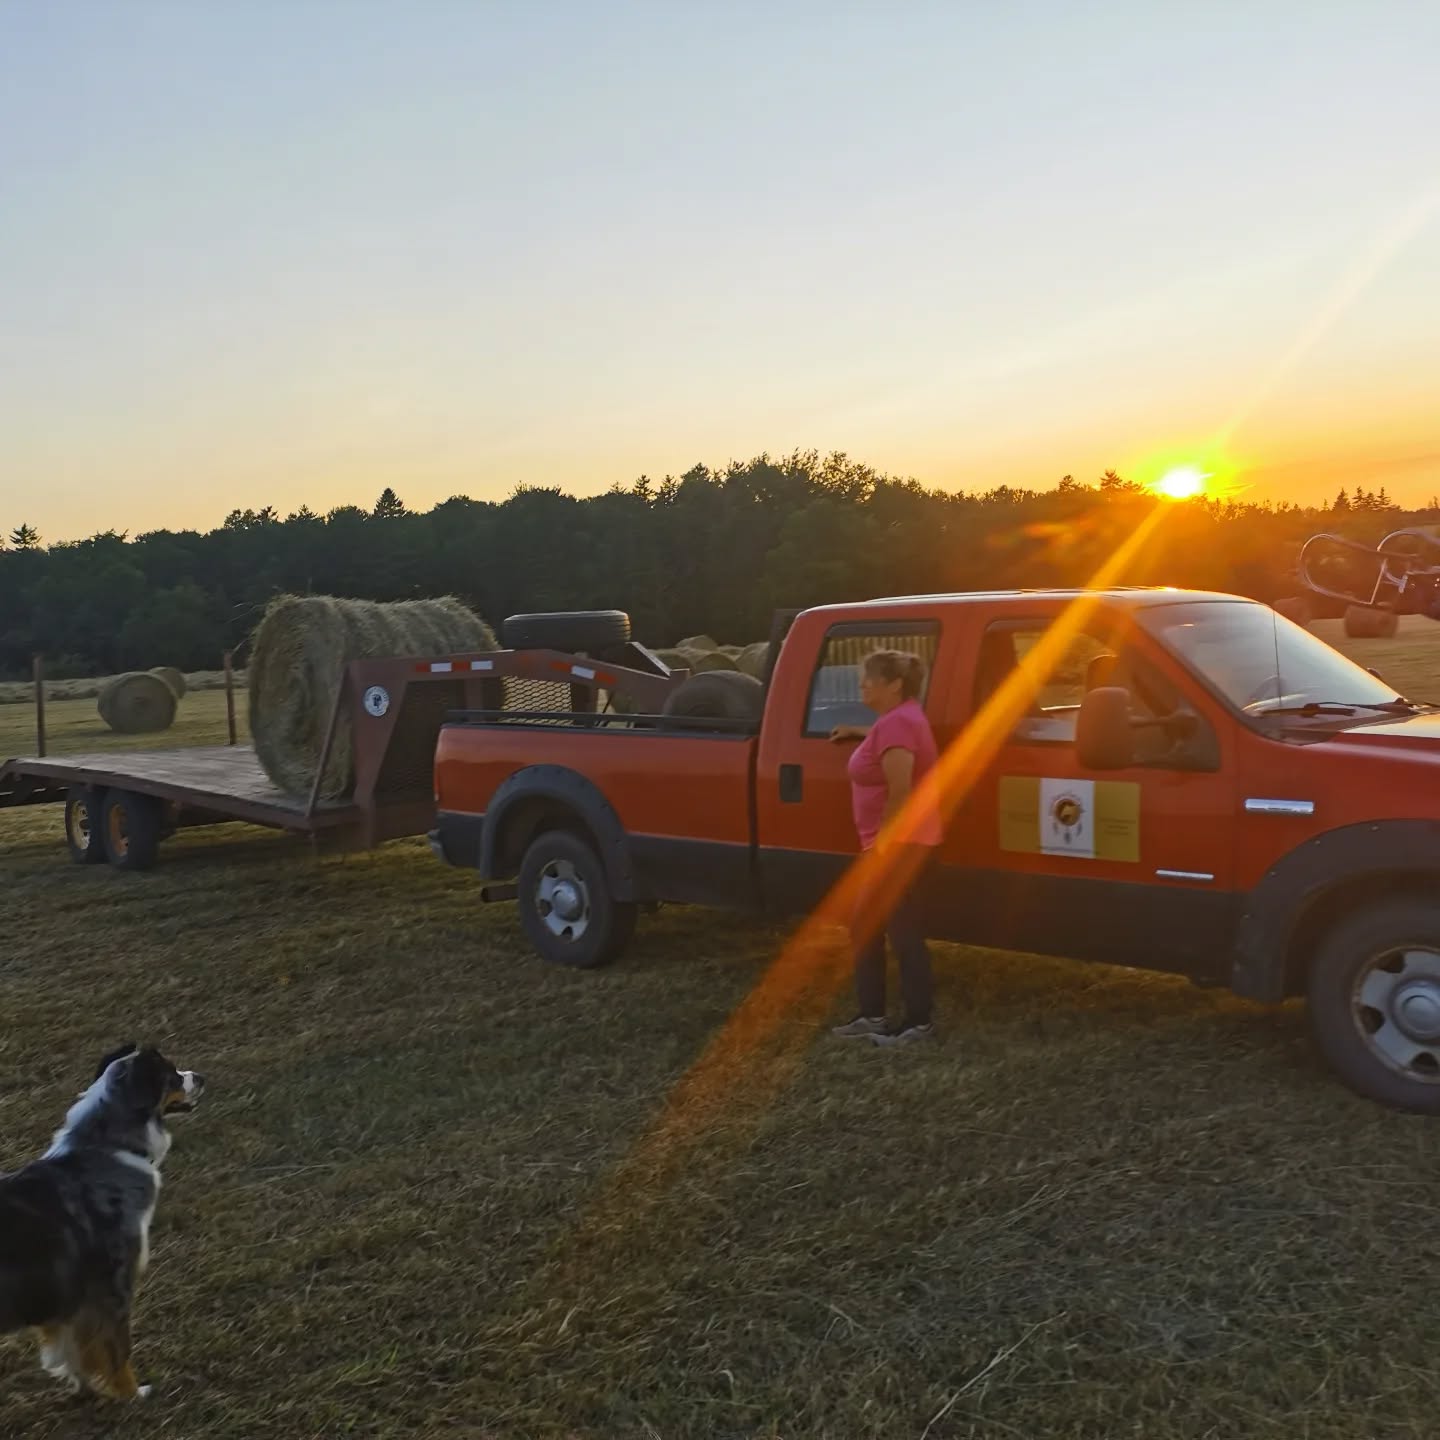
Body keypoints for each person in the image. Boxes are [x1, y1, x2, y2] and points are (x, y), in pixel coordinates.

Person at [828, 649, 942, 1046]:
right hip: (897, 844)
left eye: (869, 678)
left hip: (899, 845)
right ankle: (872, 1016)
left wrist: (884, 846)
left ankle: (918, 1025)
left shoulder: (898, 724)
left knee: (904, 933)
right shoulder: (898, 718)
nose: (861, 684)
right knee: (866, 925)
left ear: (894, 684)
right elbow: (889, 743)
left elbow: (900, 790)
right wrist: (859, 732)